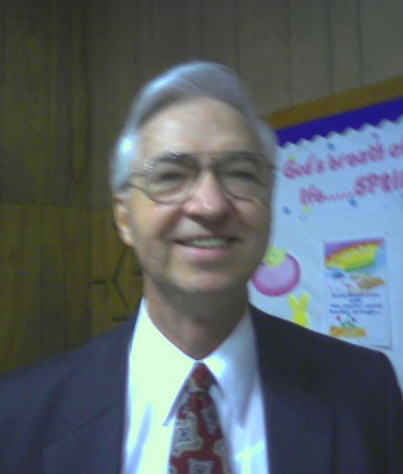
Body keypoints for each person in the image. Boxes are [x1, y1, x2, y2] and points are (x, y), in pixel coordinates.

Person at [0, 61, 402, 474]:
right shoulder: (17, 417)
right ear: (124, 218)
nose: (210, 206)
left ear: (268, 203)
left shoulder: (365, 392)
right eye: (171, 176)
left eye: (240, 174)